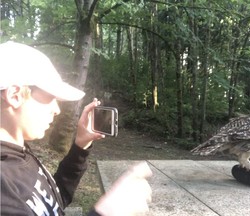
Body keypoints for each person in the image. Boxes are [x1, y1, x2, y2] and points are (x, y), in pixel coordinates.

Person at [0, 41, 152, 216]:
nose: (56, 110)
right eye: (51, 98)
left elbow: (55, 202)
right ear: (14, 95)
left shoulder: (20, 153)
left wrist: (81, 145)